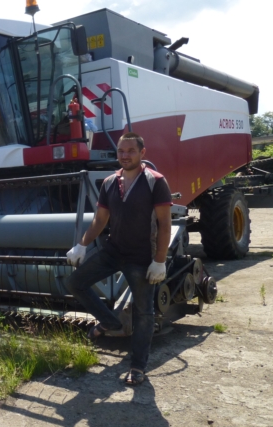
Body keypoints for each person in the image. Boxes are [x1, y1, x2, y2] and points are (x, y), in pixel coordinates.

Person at [65, 132, 172, 386]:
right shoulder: (110, 182)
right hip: (114, 251)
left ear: (142, 153)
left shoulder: (155, 182)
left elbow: (165, 223)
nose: (125, 155)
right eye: (121, 151)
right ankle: (110, 321)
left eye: (131, 151)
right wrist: (81, 245)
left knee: (143, 313)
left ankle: (137, 366)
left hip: (142, 257)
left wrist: (159, 260)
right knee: (74, 283)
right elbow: (100, 220)